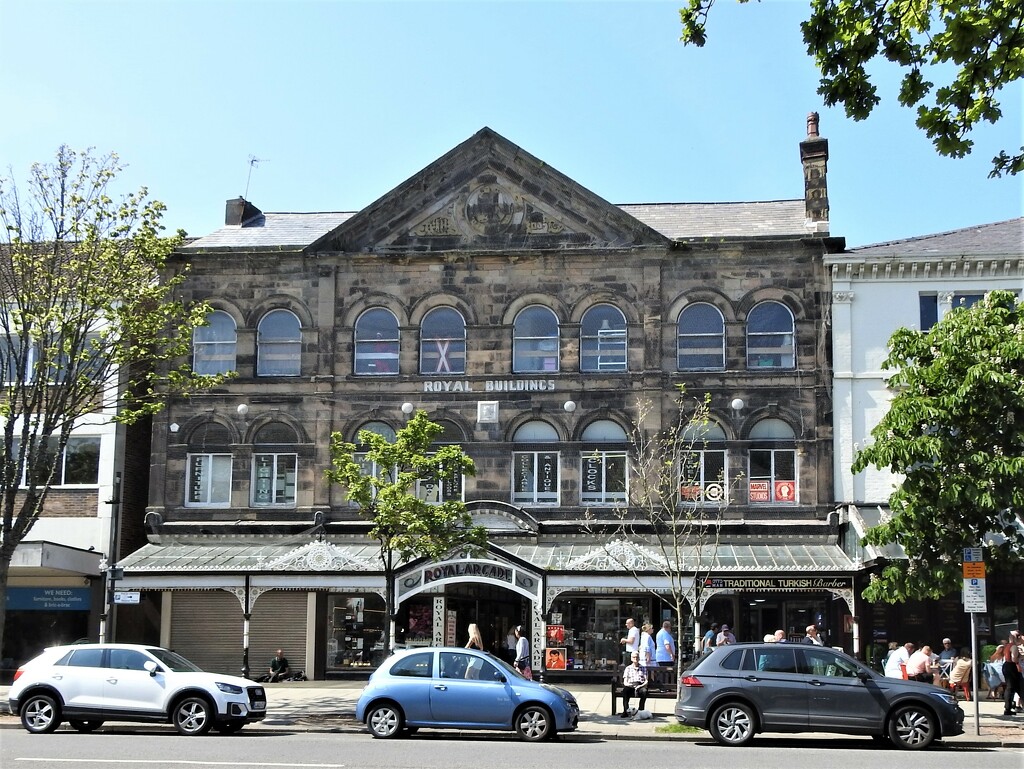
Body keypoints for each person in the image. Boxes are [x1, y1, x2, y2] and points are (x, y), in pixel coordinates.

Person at [619, 651, 648, 717]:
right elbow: (625, 682)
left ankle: (640, 712)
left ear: (639, 658)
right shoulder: (628, 668)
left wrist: (640, 686)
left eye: (637, 657)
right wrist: (629, 685)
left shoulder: (643, 668)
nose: (635, 658)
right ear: (631, 658)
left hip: (640, 685)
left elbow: (646, 681)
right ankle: (626, 711)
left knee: (644, 692)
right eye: (634, 657)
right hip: (630, 686)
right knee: (625, 691)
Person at [1002, 630, 1022, 716]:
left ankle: (1008, 708)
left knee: (1012, 687)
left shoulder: (1007, 646)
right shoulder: (1013, 646)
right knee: (1014, 687)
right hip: (1012, 666)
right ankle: (1008, 708)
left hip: (1007, 666)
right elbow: (1014, 658)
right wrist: (1020, 658)